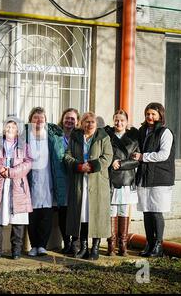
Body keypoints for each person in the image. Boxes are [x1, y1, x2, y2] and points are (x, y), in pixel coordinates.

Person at [64, 112, 113, 260]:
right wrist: (78, 166)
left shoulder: (103, 137)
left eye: (92, 122)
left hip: (97, 180)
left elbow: (108, 157)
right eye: (86, 121)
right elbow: (67, 155)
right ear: (82, 123)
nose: (89, 124)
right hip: (80, 180)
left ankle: (95, 248)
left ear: (96, 124)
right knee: (82, 214)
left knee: (96, 214)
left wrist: (92, 166)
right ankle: (83, 247)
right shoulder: (75, 136)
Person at [132, 102, 175, 258]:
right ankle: (149, 243)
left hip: (160, 177)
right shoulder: (143, 131)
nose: (150, 117)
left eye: (153, 114)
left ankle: (158, 246)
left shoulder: (165, 132)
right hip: (144, 176)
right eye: (148, 114)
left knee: (156, 212)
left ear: (160, 115)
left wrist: (143, 157)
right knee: (147, 212)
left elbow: (163, 154)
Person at [0, 117, 32, 260]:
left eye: (13, 127)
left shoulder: (24, 146)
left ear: (18, 130)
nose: (10, 130)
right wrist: (1, 170)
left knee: (18, 220)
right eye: (8, 127)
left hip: (18, 186)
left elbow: (28, 163)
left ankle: (16, 251)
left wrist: (11, 172)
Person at [25, 107, 67, 257]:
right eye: (35, 118)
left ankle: (42, 245)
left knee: (46, 213)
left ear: (46, 120)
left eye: (42, 118)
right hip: (31, 178)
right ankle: (33, 245)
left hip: (48, 177)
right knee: (32, 213)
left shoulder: (52, 137)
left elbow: (59, 155)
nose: (39, 120)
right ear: (30, 120)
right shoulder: (25, 136)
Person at [104, 110, 139, 256]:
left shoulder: (133, 139)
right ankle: (111, 245)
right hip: (111, 178)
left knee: (124, 211)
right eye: (116, 120)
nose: (119, 123)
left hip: (126, 178)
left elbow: (136, 159)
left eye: (122, 120)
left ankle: (123, 245)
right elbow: (103, 153)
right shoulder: (107, 137)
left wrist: (121, 163)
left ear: (126, 122)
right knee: (112, 211)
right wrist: (112, 162)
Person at [57, 108, 80, 255]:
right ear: (62, 119)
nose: (69, 121)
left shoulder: (80, 136)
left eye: (72, 119)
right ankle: (66, 242)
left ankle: (76, 243)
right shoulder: (57, 136)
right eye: (67, 118)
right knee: (63, 212)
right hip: (61, 178)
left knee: (76, 211)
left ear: (77, 121)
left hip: (76, 177)